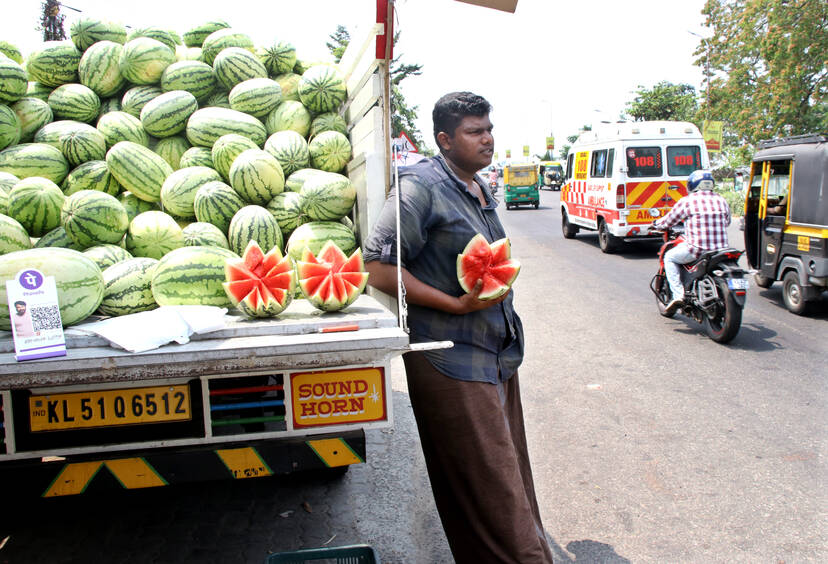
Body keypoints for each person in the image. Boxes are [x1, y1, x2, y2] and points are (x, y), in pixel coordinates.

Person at [363, 92, 554, 563]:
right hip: (450, 356)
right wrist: (454, 302)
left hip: (495, 354)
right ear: (445, 139)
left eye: (489, 128)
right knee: (493, 491)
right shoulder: (418, 187)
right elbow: (378, 266)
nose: (487, 139)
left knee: (508, 479)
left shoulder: (479, 186)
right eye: (475, 131)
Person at [653, 169, 732, 314]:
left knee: (669, 257)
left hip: (697, 249)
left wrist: (656, 224)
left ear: (692, 185)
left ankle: (678, 295)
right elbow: (727, 222)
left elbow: (669, 221)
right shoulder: (721, 199)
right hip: (720, 250)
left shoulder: (688, 201)